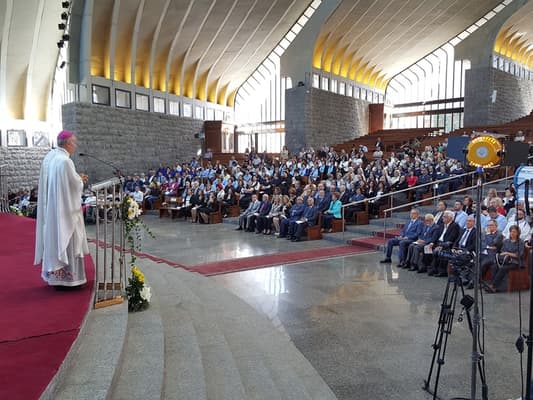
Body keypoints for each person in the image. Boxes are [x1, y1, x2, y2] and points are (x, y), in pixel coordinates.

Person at [34, 130, 89, 288]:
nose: (75, 146)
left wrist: (77, 178)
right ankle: (70, 280)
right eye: (74, 143)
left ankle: (57, 278)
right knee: (69, 243)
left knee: (57, 241)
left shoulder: (51, 158)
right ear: (68, 143)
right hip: (66, 213)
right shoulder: (65, 161)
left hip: (54, 209)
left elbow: (62, 184)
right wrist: (81, 180)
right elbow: (74, 186)